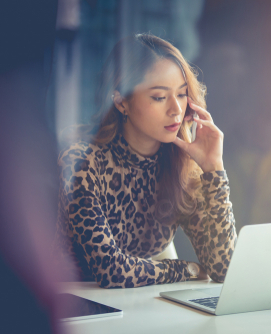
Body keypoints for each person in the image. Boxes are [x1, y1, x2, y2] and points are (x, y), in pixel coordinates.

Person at [52, 33, 237, 288]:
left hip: (137, 305)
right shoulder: (82, 163)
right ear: (121, 101)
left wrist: (214, 170)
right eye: (159, 97)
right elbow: (111, 272)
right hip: (71, 308)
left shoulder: (178, 165)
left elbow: (224, 268)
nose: (176, 109)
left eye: (182, 94)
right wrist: (186, 269)